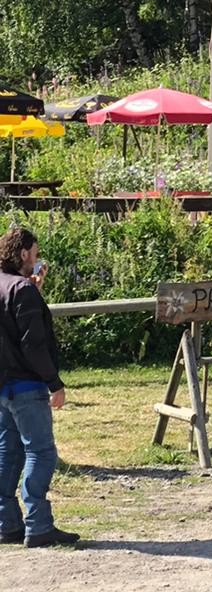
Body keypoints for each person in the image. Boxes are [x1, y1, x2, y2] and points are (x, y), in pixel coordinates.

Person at [0, 227, 75, 548]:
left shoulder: (14, 287)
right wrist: (54, 383)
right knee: (41, 452)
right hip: (27, 384)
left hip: (2, 387)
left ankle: (7, 523)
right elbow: (33, 344)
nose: (36, 258)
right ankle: (39, 524)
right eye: (35, 252)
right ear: (23, 254)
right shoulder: (23, 290)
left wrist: (32, 290)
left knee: (7, 452)